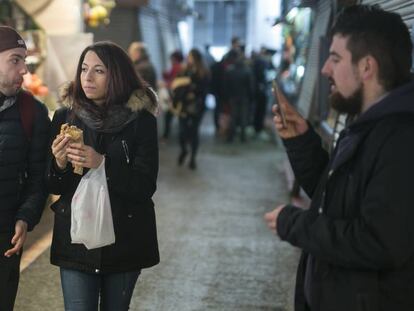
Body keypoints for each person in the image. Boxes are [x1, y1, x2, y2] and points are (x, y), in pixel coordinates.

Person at [264, 5, 414, 311]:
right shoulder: (366, 125)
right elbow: (335, 200)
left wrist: (293, 224)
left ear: (367, 67)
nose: (325, 70)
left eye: (335, 59)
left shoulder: (401, 139)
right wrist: (302, 141)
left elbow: (379, 242)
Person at [47, 41, 159, 310]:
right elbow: (51, 184)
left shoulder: (141, 122)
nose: (87, 77)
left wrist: (102, 165)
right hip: (77, 240)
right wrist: (59, 163)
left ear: (117, 75)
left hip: (124, 239)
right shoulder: (66, 117)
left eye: (98, 70)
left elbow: (144, 186)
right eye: (84, 69)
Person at [0, 26, 50, 310]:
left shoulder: (33, 112)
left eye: (25, 62)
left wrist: (25, 217)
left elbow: (37, 177)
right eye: (15, 60)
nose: (24, 71)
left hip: (5, 236)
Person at [171, 48, 209, 170]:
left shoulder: (203, 72)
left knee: (194, 132)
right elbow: (176, 85)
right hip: (184, 106)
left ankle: (193, 158)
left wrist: (190, 86)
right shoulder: (184, 69)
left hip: (197, 107)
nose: (188, 58)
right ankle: (184, 150)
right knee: (182, 132)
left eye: (190, 56)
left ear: (196, 58)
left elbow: (203, 89)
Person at [162, 50, 184, 140]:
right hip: (176, 94)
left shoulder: (177, 67)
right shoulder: (179, 67)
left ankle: (166, 136)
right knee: (173, 116)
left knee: (169, 115)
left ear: (175, 59)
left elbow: (174, 81)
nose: (170, 60)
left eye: (172, 59)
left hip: (175, 95)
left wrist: (165, 83)